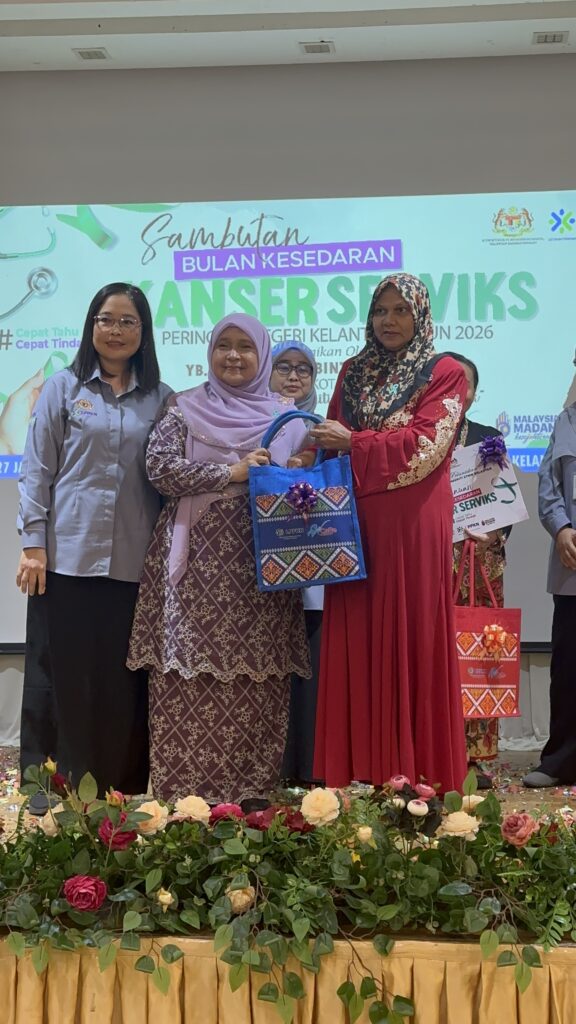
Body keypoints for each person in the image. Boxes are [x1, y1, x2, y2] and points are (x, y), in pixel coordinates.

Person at [127, 314, 311, 806]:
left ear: (262, 356)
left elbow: (307, 487)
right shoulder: (183, 407)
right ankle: (185, 803)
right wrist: (232, 472)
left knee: (259, 680)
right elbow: (160, 469)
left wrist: (299, 470)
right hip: (193, 568)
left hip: (263, 567)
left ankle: (250, 799)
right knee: (184, 679)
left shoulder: (289, 418)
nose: (233, 355)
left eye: (245, 347)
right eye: (223, 345)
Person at [309, 273, 468, 793]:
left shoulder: (444, 372)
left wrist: (354, 442)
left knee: (413, 634)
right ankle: (359, 772)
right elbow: (330, 439)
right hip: (355, 521)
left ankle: (418, 775)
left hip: (412, 523)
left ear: (420, 315)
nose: (389, 320)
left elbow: (427, 447)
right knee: (358, 639)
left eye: (401, 310)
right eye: (381, 310)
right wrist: (309, 456)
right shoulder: (353, 371)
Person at [16, 282, 172, 798]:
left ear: (144, 332)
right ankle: (51, 789)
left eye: (128, 321)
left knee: (119, 684)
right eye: (107, 319)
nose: (116, 330)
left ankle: (118, 791)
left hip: (134, 563)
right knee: (61, 679)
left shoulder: (162, 398)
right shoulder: (63, 389)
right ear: (91, 326)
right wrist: (33, 544)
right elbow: (37, 470)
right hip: (66, 559)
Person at [446, 352, 511, 788]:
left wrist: (494, 532)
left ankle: (476, 757)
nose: (458, 390)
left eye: (465, 382)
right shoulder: (416, 437)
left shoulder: (488, 437)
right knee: (432, 654)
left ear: (473, 391)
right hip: (430, 560)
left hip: (479, 559)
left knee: (480, 653)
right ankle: (432, 749)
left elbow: (505, 502)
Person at [270, 340, 323, 786]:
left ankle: (311, 767)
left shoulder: (326, 430)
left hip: (318, 570)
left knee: (314, 672)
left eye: (303, 368)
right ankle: (273, 767)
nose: (293, 376)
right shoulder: (255, 424)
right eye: (283, 366)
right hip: (266, 569)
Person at [524, 378, 576, 787]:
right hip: (572, 567)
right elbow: (548, 486)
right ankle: (560, 761)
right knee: (569, 668)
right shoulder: (566, 422)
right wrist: (561, 528)